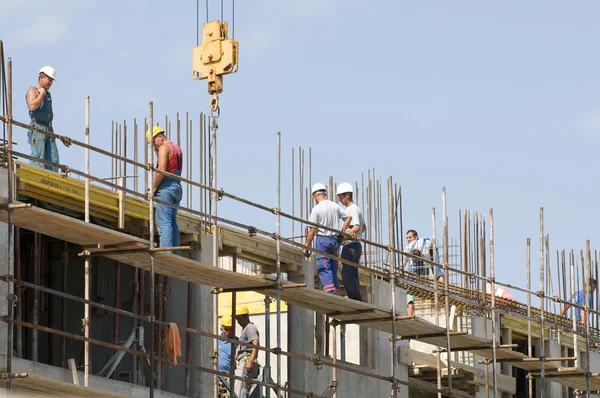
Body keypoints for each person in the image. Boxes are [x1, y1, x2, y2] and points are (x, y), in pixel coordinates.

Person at [305, 183, 352, 295]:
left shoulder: (316, 209)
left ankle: (330, 291)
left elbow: (312, 230)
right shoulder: (334, 206)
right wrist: (341, 231)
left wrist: (306, 245)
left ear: (315, 195)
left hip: (323, 240)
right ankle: (335, 290)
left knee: (323, 266)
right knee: (333, 267)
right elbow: (348, 218)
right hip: (335, 241)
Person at [146, 126, 183, 254]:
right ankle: (176, 254)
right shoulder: (176, 147)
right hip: (176, 186)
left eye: (153, 142)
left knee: (164, 223)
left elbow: (161, 170)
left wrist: (154, 188)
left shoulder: (164, 148)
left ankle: (166, 254)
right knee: (172, 222)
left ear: (160, 137)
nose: (153, 146)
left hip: (166, 187)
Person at [404, 229, 444, 317]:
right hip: (418, 255)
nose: (408, 239)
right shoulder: (407, 249)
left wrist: (425, 280)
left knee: (435, 268)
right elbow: (404, 262)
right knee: (414, 271)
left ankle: (442, 286)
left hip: (431, 249)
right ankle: (410, 314)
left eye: (410, 237)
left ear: (415, 237)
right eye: (407, 238)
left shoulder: (425, 249)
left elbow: (426, 266)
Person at [26, 66, 59, 172]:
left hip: (49, 129)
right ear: (41, 78)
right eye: (49, 80)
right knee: (38, 160)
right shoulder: (32, 91)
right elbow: (32, 105)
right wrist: (41, 94)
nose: (50, 83)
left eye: (52, 81)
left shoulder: (48, 94)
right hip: (38, 128)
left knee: (53, 161)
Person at [336, 182, 365, 301]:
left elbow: (357, 226)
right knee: (352, 272)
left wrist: (343, 236)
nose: (339, 199)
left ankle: (354, 298)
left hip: (350, 245)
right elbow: (364, 227)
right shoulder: (354, 209)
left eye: (341, 196)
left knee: (347, 272)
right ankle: (356, 297)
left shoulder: (352, 209)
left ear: (347, 195)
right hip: (354, 245)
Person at [234, 305, 260, 398]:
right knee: (243, 389)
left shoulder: (250, 328)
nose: (238, 322)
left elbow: (256, 344)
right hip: (244, 360)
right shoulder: (245, 329)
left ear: (246, 316)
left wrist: (250, 361)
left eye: (240, 319)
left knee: (240, 389)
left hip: (246, 360)